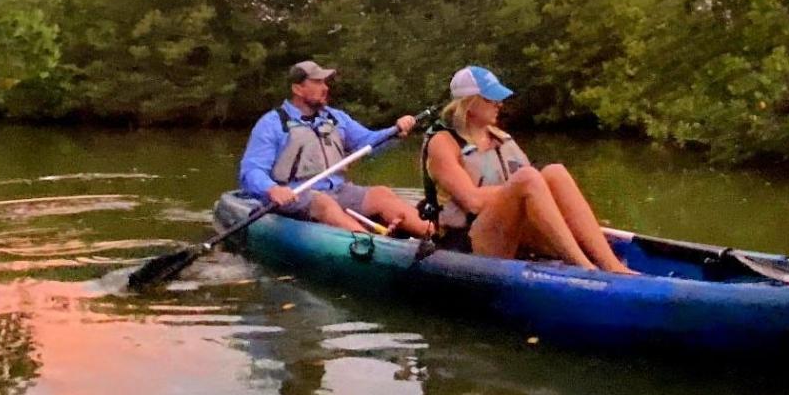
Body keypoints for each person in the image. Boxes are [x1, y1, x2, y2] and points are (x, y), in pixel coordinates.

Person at [421, 66, 632, 273]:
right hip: (468, 242)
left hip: (515, 236)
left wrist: (536, 190)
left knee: (554, 173)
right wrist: (519, 189)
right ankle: (585, 269)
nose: (499, 104)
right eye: (491, 99)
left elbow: (532, 195)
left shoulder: (500, 138)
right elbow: (473, 202)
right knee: (529, 178)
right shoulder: (443, 143)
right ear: (470, 103)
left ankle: (612, 266)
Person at [238, 61, 434, 236]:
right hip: (296, 195)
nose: (325, 88)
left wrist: (396, 130)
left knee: (381, 194)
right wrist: (272, 189)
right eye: (317, 82)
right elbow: (251, 171)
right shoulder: (272, 123)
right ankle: (370, 244)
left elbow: (368, 142)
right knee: (323, 203)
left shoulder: (335, 118)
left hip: (338, 190)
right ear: (298, 88)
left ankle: (436, 236)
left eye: (325, 82)